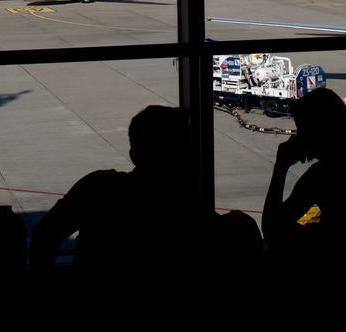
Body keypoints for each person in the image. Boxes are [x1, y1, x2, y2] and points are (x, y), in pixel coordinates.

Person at [28, 105, 257, 285]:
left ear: (133, 155)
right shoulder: (186, 208)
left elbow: (44, 235)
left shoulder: (99, 188)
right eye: (183, 148)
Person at [261, 87, 346, 268]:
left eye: (302, 130)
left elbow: (273, 232)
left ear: (317, 132)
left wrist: (280, 168)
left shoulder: (323, 176)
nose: (299, 138)